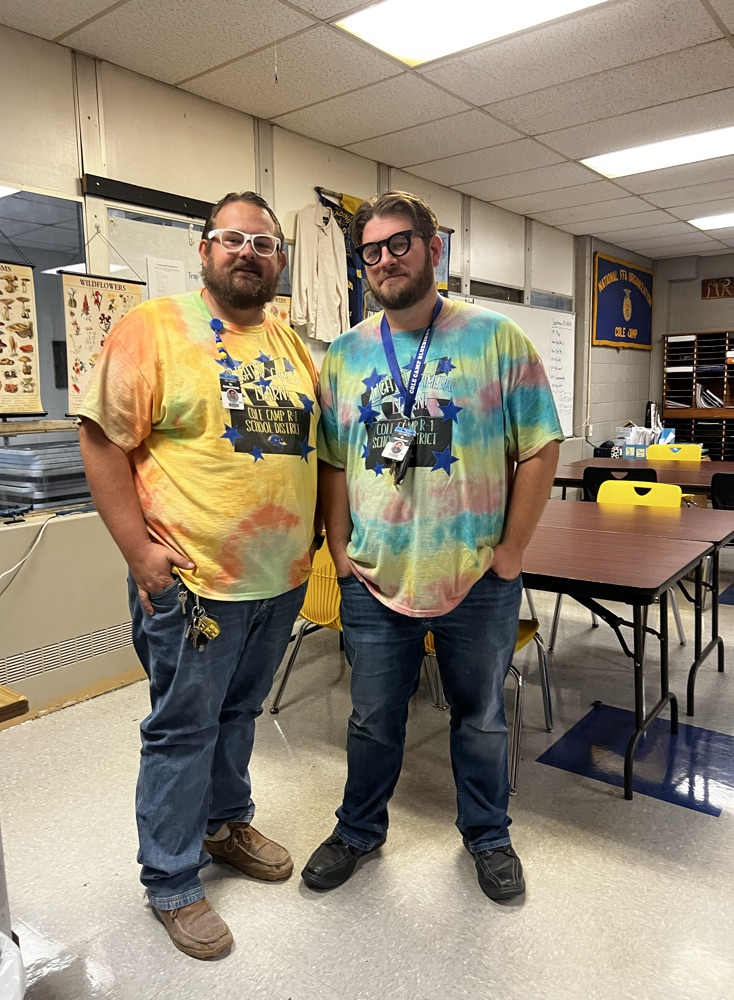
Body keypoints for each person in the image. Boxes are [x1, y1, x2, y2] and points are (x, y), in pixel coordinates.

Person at [78, 191, 321, 959]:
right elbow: (102, 440)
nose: (249, 252)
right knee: (182, 730)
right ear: (204, 249)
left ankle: (222, 826)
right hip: (192, 583)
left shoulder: (289, 341)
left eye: (264, 242)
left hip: (278, 581)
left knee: (238, 716)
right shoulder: (153, 329)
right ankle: (172, 881)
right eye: (233, 239)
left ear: (279, 259)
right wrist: (138, 553)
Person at [302, 191, 562, 902]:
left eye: (400, 243)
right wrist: (335, 539)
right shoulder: (348, 354)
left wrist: (512, 550)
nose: (386, 260)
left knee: (478, 719)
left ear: (432, 248)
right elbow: (330, 457)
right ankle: (358, 830)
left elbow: (543, 445)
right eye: (372, 251)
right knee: (371, 718)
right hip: (377, 579)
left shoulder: (496, 338)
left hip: (476, 579)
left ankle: (487, 834)